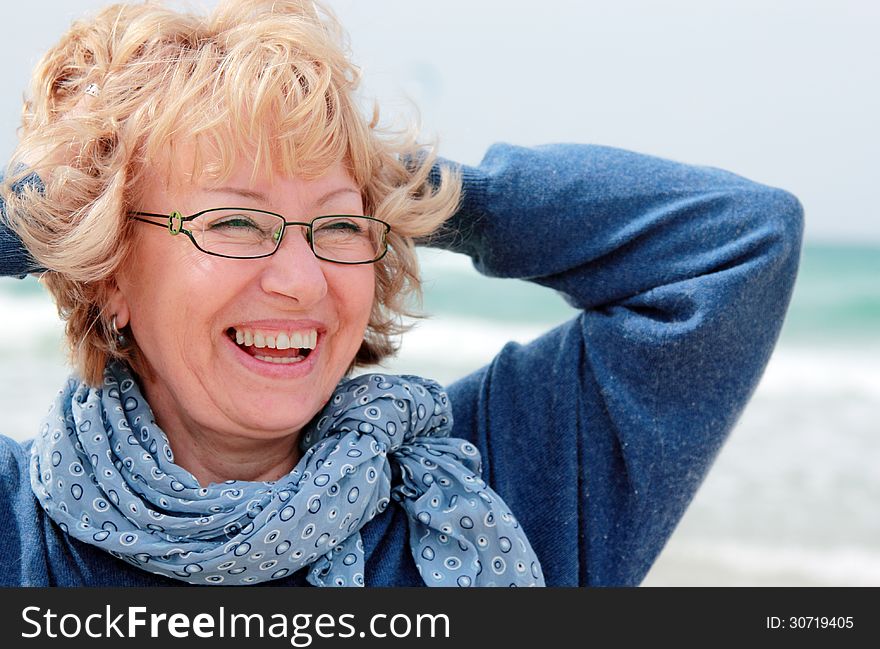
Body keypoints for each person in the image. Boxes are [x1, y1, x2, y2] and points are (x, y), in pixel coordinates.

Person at [0, 0, 803, 587]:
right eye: (238, 222)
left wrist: (416, 190)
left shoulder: (498, 487)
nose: (302, 277)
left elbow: (739, 242)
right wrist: (61, 207)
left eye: (340, 227)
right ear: (110, 273)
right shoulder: (20, 532)